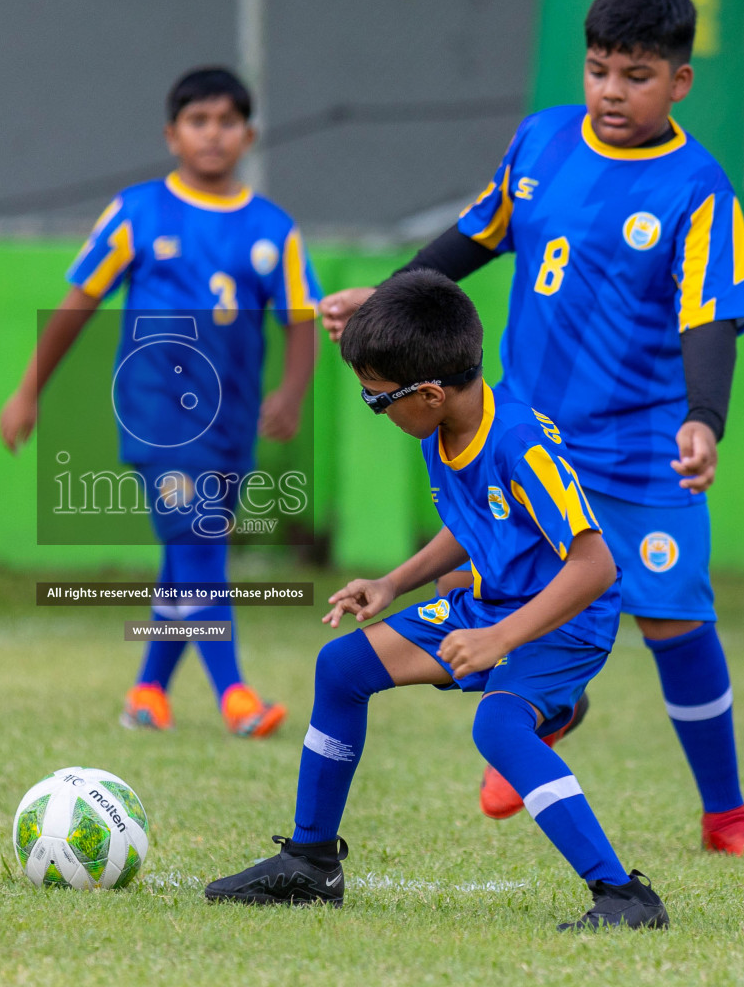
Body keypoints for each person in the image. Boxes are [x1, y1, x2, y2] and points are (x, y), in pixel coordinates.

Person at [318, 0, 744, 858]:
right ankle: (541, 710)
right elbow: (473, 238)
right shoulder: (539, 142)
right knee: (517, 593)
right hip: (526, 435)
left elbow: (712, 312)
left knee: (676, 620)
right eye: (600, 70)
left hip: (644, 446)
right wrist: (384, 301)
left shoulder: (697, 186)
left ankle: (726, 815)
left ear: (679, 82)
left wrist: (704, 420)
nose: (613, 91)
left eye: (637, 75)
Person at [206, 271, 666, 930]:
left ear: (426, 392)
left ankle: (624, 896)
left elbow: (595, 566)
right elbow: (473, 520)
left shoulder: (520, 445)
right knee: (340, 669)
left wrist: (500, 641)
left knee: (498, 728)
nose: (375, 410)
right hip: (489, 606)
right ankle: (311, 863)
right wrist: (395, 581)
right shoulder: (441, 427)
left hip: (563, 622)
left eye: (376, 400)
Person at [0, 67, 319, 737]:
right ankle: (235, 695)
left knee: (187, 555)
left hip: (230, 421)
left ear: (250, 136)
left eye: (227, 121)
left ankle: (147, 691)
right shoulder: (136, 212)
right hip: (158, 414)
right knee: (199, 540)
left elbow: (299, 319)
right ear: (172, 135)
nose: (213, 134)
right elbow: (77, 306)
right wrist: (29, 390)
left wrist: (290, 393)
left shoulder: (272, 228)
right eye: (198, 121)